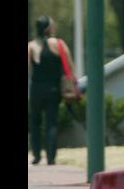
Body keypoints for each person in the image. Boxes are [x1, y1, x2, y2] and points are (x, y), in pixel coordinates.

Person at [28, 15, 75, 165]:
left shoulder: (31, 46)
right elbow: (70, 66)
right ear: (48, 28)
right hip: (53, 89)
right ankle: (51, 157)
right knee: (51, 122)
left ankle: (36, 154)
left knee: (35, 122)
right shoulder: (59, 44)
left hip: (36, 88)